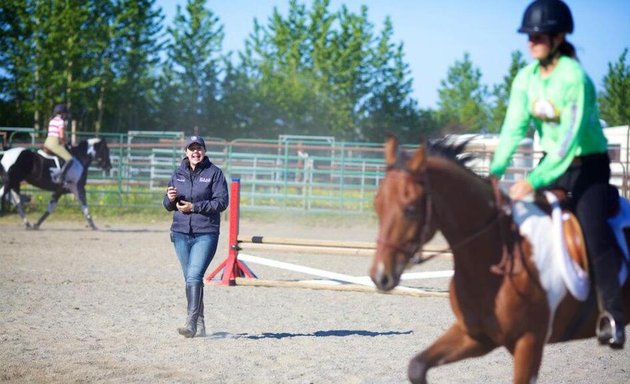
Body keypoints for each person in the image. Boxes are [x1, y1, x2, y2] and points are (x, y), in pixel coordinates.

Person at [489, 0, 625, 348]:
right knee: (516, 220)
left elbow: (568, 143)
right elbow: (513, 128)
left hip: (587, 165)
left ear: (558, 37)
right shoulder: (526, 79)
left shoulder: (574, 79)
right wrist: (495, 170)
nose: (531, 40)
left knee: (592, 229)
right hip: (551, 164)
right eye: (528, 34)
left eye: (538, 34)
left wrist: (531, 180)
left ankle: (612, 313)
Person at [163, 136, 229, 338]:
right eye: (191, 149)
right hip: (181, 232)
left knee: (193, 276)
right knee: (191, 279)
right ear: (186, 152)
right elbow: (167, 205)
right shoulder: (178, 173)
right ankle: (200, 325)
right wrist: (170, 198)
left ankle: (190, 324)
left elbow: (221, 202)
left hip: (205, 232)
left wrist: (195, 207)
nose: (195, 152)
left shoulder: (214, 174)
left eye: (199, 148)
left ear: (204, 151)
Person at [44, 104, 74, 184]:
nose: (66, 116)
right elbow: (61, 136)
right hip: (54, 143)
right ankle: (61, 177)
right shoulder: (61, 122)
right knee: (70, 159)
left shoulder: (52, 120)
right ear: (63, 113)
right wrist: (67, 142)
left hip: (47, 142)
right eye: (65, 114)